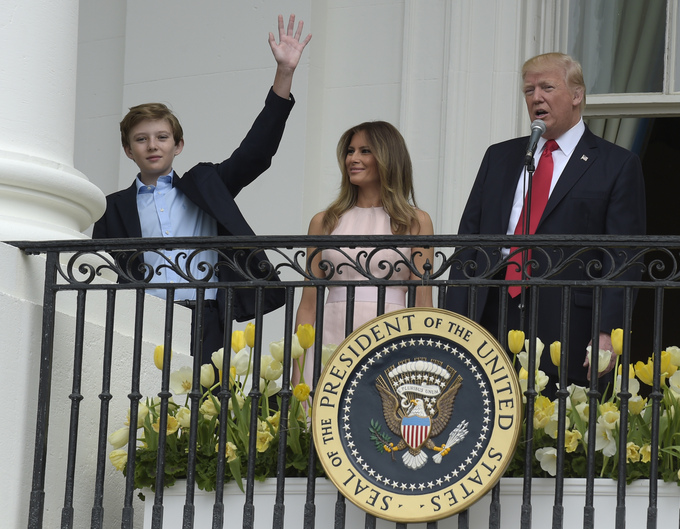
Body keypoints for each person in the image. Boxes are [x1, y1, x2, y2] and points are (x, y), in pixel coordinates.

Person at [92, 14, 312, 365]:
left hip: (206, 315)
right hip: (142, 319)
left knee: (208, 411)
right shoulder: (111, 208)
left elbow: (255, 152)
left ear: (178, 145)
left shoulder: (206, 184)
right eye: (141, 139)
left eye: (162, 137)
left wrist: (284, 74)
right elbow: (100, 275)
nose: (152, 145)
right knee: (143, 409)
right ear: (128, 149)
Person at [446, 52, 646, 388]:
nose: (536, 97)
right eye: (529, 90)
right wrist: (454, 321)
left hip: (567, 322)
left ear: (577, 95)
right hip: (493, 313)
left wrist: (608, 332)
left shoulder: (616, 164)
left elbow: (624, 256)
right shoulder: (501, 157)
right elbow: (470, 241)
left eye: (547, 87)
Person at [295, 121, 434, 381]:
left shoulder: (416, 221)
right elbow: (307, 306)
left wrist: (420, 367)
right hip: (331, 335)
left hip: (392, 337)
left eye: (364, 151)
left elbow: (422, 304)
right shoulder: (324, 222)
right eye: (350, 151)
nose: (353, 159)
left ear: (388, 158)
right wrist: (299, 376)